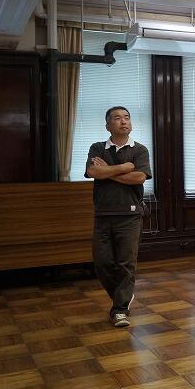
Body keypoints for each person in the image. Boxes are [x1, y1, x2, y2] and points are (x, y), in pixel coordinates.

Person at [85, 106, 152, 328]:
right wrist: (123, 167)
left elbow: (139, 177)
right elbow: (93, 172)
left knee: (126, 263)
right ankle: (123, 295)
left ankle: (120, 309)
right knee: (102, 264)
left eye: (127, 117)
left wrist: (108, 172)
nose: (123, 121)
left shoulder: (139, 150)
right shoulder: (97, 148)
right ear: (108, 126)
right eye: (117, 118)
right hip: (103, 214)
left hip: (130, 216)